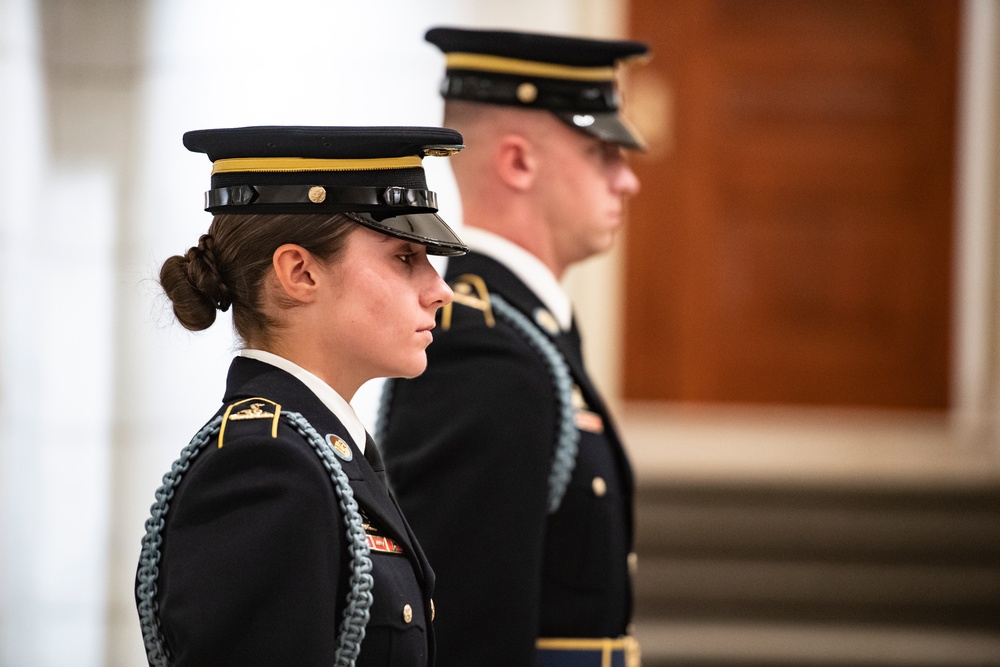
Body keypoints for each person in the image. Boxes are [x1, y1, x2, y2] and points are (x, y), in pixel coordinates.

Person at [134, 125, 468, 667]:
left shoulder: (318, 451)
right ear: (300, 272)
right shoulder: (265, 467)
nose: (440, 288)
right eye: (405, 257)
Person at [377, 27, 647, 667]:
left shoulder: (530, 334)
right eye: (601, 154)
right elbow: (467, 634)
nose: (628, 181)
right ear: (518, 161)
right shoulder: (488, 358)